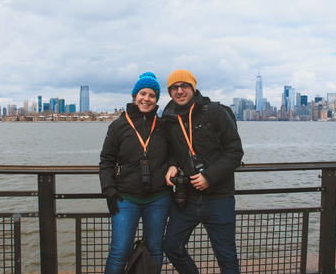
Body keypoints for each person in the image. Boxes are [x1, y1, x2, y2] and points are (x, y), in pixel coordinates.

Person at [162, 69, 244, 274]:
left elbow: (235, 152)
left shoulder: (215, 112)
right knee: (172, 247)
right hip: (186, 198)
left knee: (226, 257)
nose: (179, 91)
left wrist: (209, 177)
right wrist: (171, 164)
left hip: (219, 197)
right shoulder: (169, 118)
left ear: (193, 88)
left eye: (184, 86)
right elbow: (172, 151)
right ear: (170, 92)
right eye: (174, 87)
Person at [99, 72, 172, 274]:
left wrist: (173, 167)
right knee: (119, 252)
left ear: (156, 99)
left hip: (159, 198)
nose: (146, 99)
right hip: (125, 198)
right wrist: (109, 191)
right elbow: (106, 161)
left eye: (152, 95)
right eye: (142, 93)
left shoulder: (164, 125)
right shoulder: (118, 126)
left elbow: (175, 154)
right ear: (134, 96)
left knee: (155, 250)